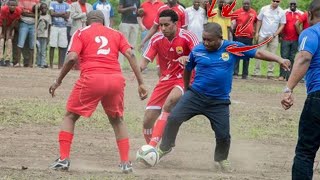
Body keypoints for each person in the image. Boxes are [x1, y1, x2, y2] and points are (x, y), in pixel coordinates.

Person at [157, 22, 290, 172]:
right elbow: (188, 69)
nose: (206, 43)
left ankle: (221, 159)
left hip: (219, 101)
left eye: (210, 40)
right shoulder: (197, 50)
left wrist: (279, 60)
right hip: (196, 95)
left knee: (223, 135)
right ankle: (165, 147)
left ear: (220, 38)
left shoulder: (232, 47)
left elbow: (258, 53)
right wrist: (187, 88)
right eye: (204, 39)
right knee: (174, 118)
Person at [48, 10, 148, 173]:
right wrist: (141, 83)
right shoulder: (116, 33)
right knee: (117, 120)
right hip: (115, 80)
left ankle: (63, 159)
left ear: (86, 22)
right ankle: (125, 163)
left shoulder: (80, 32)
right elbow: (130, 54)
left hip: (92, 79)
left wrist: (58, 81)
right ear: (105, 22)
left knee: (70, 116)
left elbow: (72, 57)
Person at [139, 9, 199, 147]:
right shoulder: (156, 38)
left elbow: (201, 55)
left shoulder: (188, 36)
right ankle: (151, 151)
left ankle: (153, 147)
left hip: (185, 77)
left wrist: (188, 57)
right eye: (161, 25)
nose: (163, 28)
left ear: (176, 23)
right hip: (166, 79)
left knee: (169, 103)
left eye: (166, 25)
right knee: (147, 120)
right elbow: (144, 61)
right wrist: (137, 70)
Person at [281, 1, 320, 179]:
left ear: (310, 14)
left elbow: (304, 58)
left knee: (305, 152)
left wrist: (288, 88)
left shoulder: (311, 32)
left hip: (318, 96)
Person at [253, 0, 286, 78]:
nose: (275, 2)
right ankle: (256, 72)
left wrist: (275, 35)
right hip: (262, 35)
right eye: (274, 1)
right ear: (271, 1)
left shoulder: (281, 12)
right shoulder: (264, 9)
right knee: (259, 53)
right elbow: (259, 20)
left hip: (273, 37)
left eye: (277, 1)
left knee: (273, 55)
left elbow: (282, 25)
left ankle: (270, 73)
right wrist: (257, 32)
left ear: (279, 2)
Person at [231, 0, 257, 79]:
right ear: (242, 4)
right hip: (239, 37)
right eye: (245, 4)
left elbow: (256, 22)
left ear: (250, 4)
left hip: (249, 37)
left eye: (248, 4)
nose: (246, 5)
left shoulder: (253, 12)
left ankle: (245, 74)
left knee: (247, 55)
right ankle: (235, 73)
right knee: (237, 54)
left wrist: (254, 31)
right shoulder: (237, 12)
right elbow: (231, 22)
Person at [279, 0, 302, 81]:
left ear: (296, 5)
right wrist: (280, 35)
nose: (292, 5)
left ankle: (289, 76)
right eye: (291, 4)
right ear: (289, 5)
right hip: (285, 39)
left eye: (294, 4)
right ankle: (282, 75)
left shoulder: (300, 13)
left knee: (292, 57)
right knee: (284, 57)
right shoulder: (284, 12)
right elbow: (281, 23)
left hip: (295, 39)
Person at [49, 0, 70, 69]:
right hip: (54, 26)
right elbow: (52, 14)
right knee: (52, 45)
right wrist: (62, 14)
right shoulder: (52, 3)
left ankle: (60, 65)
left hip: (63, 27)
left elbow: (67, 16)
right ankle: (51, 65)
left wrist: (57, 13)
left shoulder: (67, 5)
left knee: (62, 46)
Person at [0, 0, 22, 66]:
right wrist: (3, 33)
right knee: (1, 40)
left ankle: (7, 59)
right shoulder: (3, 9)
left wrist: (9, 34)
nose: (12, 7)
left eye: (14, 5)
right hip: (1, 25)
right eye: (11, 5)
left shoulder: (18, 10)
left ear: (16, 6)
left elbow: (14, 22)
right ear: (8, 5)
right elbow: (4, 21)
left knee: (9, 41)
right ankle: (0, 59)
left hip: (11, 25)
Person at [36, 2, 51, 68]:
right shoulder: (38, 16)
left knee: (43, 50)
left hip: (45, 35)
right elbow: (36, 25)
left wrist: (48, 36)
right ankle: (38, 63)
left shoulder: (48, 16)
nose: (44, 9)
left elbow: (49, 27)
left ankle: (43, 63)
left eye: (45, 8)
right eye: (42, 8)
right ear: (40, 9)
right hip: (38, 35)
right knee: (38, 49)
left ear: (47, 9)